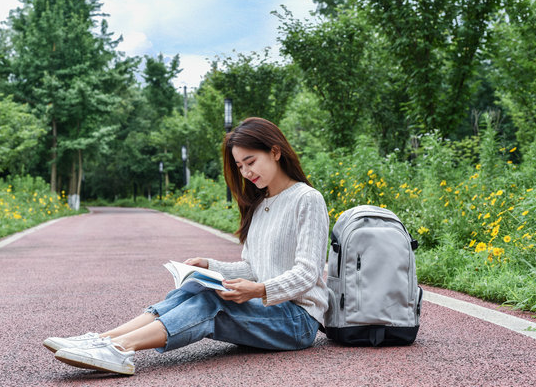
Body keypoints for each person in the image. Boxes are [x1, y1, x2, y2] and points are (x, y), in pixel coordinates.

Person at [44, 117, 330, 375]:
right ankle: (104, 339)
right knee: (195, 285)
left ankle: (120, 349)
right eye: (240, 166)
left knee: (211, 301)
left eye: (251, 161)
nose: (245, 173)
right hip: (268, 309)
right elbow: (254, 267)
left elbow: (307, 273)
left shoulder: (307, 199)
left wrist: (257, 291)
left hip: (296, 321)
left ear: (275, 152)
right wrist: (210, 266)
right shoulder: (259, 204)